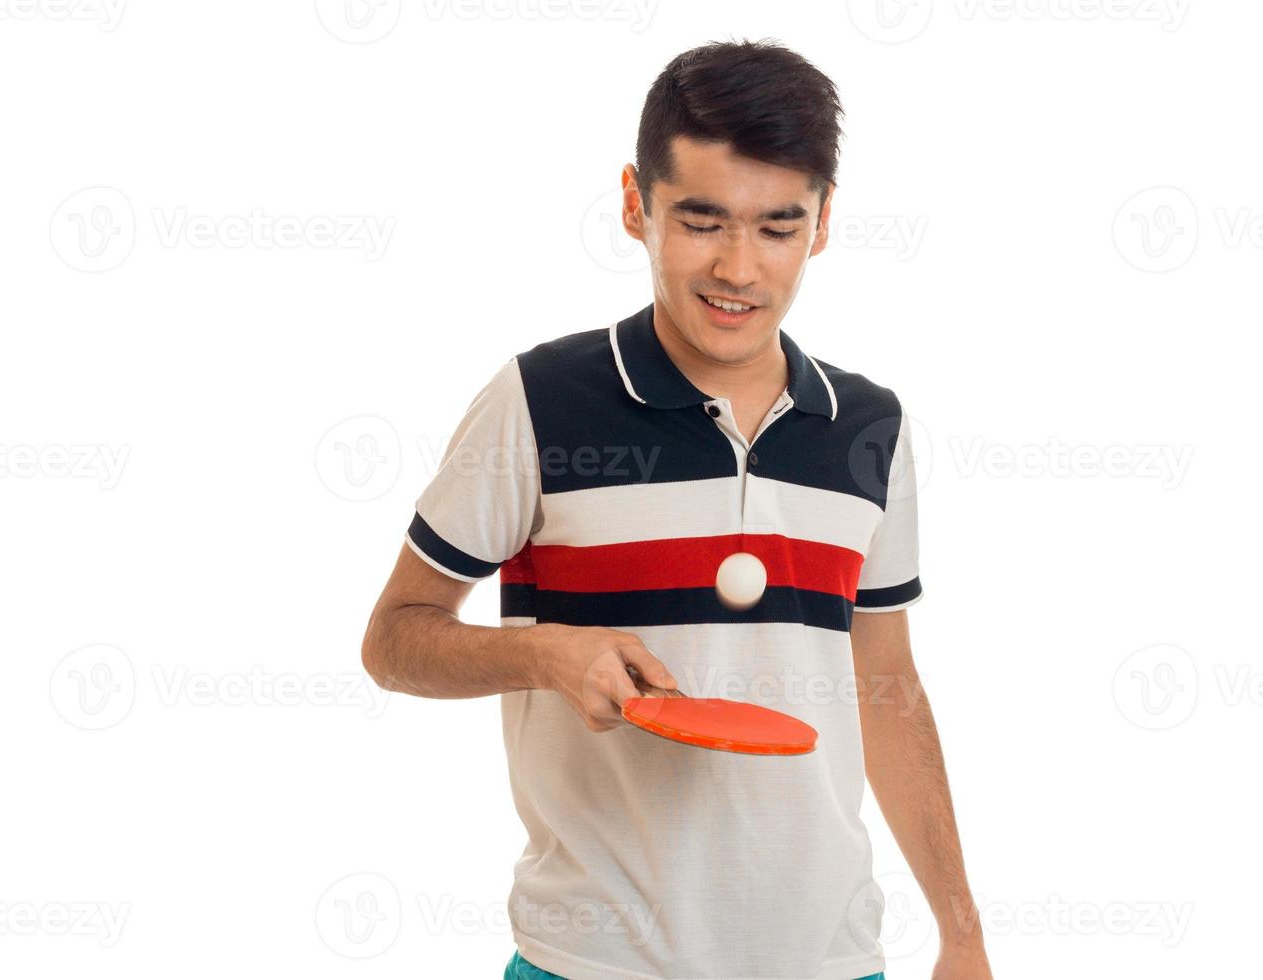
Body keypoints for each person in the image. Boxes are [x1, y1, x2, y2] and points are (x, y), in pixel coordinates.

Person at [362, 38, 993, 980]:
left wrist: (962, 932)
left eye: (778, 227)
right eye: (703, 221)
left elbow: (886, 684)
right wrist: (545, 652)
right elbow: (395, 641)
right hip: (591, 962)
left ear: (821, 226)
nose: (739, 267)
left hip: (831, 960)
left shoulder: (870, 426)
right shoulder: (540, 400)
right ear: (634, 206)